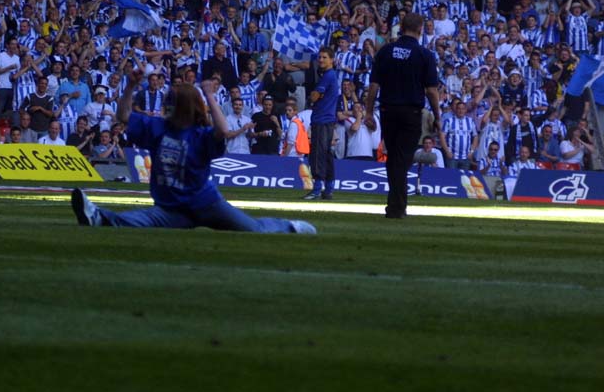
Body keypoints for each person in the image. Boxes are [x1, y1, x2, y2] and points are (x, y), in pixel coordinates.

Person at [71, 69, 316, 234]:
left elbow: (221, 130)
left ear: (184, 108)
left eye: (171, 101)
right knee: (138, 219)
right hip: (171, 207)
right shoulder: (157, 127)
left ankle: (290, 227)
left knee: (252, 229)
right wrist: (131, 86)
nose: (165, 105)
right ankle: (97, 216)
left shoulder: (200, 135)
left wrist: (209, 95)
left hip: (206, 204)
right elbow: (123, 116)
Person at [365, 13, 441, 218]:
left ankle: (395, 205)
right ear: (420, 29)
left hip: (388, 111)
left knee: (394, 158)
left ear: (402, 27)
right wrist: (437, 116)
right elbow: (432, 91)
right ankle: (397, 207)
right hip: (411, 112)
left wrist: (369, 112)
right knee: (402, 159)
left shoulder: (385, 51)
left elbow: (373, 86)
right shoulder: (425, 54)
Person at [303, 47, 340, 200]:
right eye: (319, 57)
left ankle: (317, 188)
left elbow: (313, 97)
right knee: (326, 155)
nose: (321, 60)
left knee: (318, 154)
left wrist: (314, 93)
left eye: (324, 57)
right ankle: (329, 189)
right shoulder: (331, 75)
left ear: (332, 60)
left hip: (322, 119)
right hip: (327, 119)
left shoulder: (327, 76)